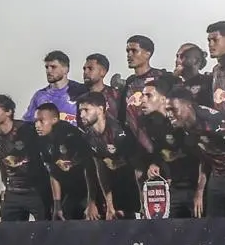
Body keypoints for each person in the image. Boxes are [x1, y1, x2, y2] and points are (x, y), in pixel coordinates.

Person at [165, 85, 225, 218]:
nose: (169, 114)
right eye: (167, 110)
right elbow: (204, 155)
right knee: (213, 224)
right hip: (217, 175)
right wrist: (200, 190)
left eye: (173, 109)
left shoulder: (214, 121)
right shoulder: (185, 126)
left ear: (188, 106)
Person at [0, 94, 53, 221]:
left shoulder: (27, 129)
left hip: (36, 190)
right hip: (13, 192)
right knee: (8, 230)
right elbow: (1, 158)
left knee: (45, 227)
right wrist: (4, 186)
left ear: (9, 112)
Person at [77, 89, 144, 219]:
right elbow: (99, 171)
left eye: (86, 110)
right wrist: (109, 205)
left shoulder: (120, 132)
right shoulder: (88, 137)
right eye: (80, 111)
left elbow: (138, 168)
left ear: (100, 109)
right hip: (112, 188)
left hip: (133, 186)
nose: (82, 115)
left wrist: (143, 203)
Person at [141, 75, 202, 217]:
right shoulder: (150, 124)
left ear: (163, 99)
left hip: (195, 187)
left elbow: (202, 156)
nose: (143, 100)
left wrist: (200, 190)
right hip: (173, 188)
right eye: (143, 95)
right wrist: (155, 164)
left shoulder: (185, 120)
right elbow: (160, 151)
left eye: (148, 96)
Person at [32, 102, 101, 220]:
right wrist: (57, 205)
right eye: (35, 121)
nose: (37, 125)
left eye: (41, 121)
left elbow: (90, 169)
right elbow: (53, 173)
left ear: (55, 120)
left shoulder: (72, 137)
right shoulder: (42, 141)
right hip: (72, 191)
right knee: (63, 216)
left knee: (93, 219)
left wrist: (92, 202)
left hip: (92, 189)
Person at [118, 34, 169, 153]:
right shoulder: (130, 82)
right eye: (127, 51)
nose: (129, 55)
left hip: (160, 143)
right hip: (135, 146)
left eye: (134, 51)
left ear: (147, 54)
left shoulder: (162, 77)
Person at [22, 50, 85, 124]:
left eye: (53, 67)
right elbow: (28, 123)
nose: (48, 71)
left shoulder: (81, 91)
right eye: (47, 67)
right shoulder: (40, 96)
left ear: (66, 69)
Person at [78, 52, 122, 119]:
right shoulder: (79, 96)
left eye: (90, 68)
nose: (85, 72)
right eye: (84, 69)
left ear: (103, 72)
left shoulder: (116, 96)